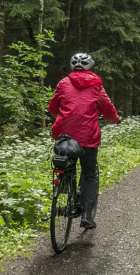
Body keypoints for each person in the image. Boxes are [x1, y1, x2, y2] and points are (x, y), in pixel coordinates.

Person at [48, 52, 120, 230]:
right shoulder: (96, 84)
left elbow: (52, 108)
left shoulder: (63, 83)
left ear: (73, 67)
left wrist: (62, 119)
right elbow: (108, 110)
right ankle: (87, 215)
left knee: (65, 165)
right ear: (90, 66)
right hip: (88, 137)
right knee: (89, 173)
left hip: (64, 137)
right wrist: (115, 119)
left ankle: (64, 187)